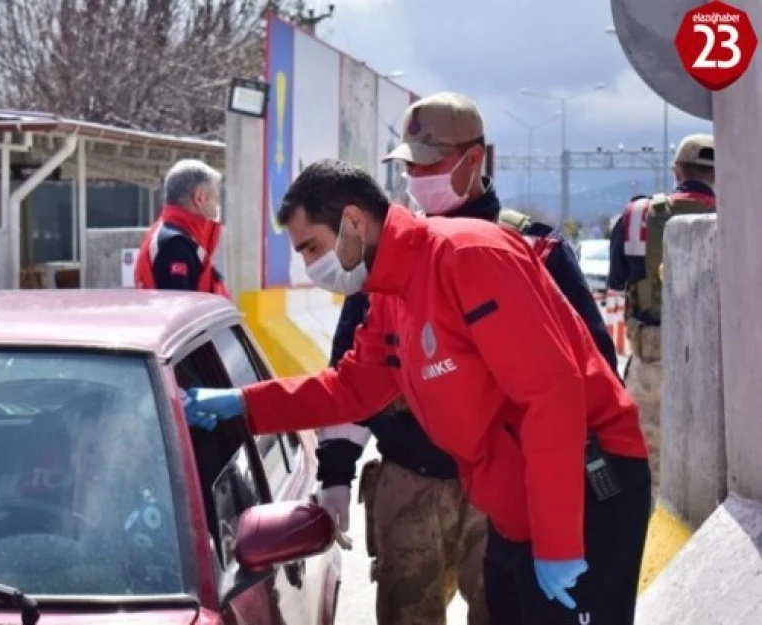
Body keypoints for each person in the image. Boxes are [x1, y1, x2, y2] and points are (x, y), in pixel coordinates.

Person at [182, 159, 651, 623]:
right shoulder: (390, 293)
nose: (310, 268)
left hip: (583, 488)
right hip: (516, 505)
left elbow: (552, 396)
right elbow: (351, 388)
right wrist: (244, 405)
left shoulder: (468, 256)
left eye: (312, 248)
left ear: (353, 222)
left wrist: (559, 542)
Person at [310, 92, 621, 625]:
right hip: (410, 485)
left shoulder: (535, 250)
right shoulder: (388, 255)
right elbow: (354, 374)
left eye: (429, 164)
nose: (416, 178)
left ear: (474, 160)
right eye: (409, 165)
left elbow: (594, 372)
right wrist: (335, 471)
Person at [608, 133, 715, 500]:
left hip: (651, 355)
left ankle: (653, 544)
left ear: (677, 170)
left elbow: (618, 280)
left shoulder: (637, 214)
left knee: (648, 463)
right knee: (713, 464)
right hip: (718, 356)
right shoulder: (741, 214)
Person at [133, 159, 229, 296]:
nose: (217, 205)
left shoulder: (178, 238)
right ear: (200, 198)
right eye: (216, 198)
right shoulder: (175, 244)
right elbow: (181, 308)